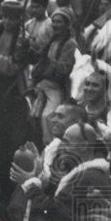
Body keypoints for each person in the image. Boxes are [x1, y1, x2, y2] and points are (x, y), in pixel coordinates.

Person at [29, 8, 78, 145]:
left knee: (48, 116)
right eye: (54, 22)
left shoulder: (71, 44)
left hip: (56, 86)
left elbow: (65, 69)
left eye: (59, 22)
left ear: (67, 25)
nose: (55, 25)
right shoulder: (52, 40)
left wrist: (52, 62)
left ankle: (50, 145)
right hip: (42, 83)